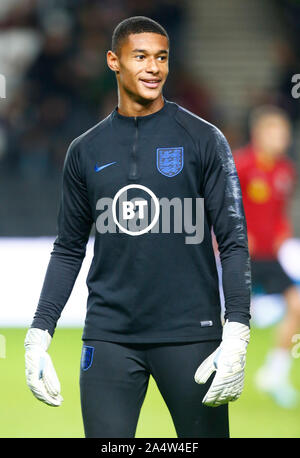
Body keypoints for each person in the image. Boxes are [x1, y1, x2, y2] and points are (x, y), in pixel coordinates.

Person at [24, 16, 251, 438]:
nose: (153, 68)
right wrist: (39, 332)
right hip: (109, 337)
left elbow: (233, 241)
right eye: (141, 56)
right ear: (113, 61)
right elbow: (69, 248)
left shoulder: (203, 139)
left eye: (161, 57)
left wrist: (236, 329)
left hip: (191, 336)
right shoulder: (85, 150)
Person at [234, 105, 299, 408]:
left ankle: (275, 373)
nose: (282, 137)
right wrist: (237, 232)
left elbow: (278, 212)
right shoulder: (242, 165)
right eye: (275, 131)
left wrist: (283, 229)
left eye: (284, 132)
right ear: (259, 133)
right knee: (226, 318)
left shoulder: (286, 170)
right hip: (240, 254)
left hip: (270, 258)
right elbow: (222, 203)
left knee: (297, 306)